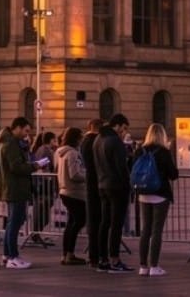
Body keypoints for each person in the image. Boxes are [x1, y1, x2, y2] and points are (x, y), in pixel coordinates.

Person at [0, 117, 41, 269]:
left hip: (13, 187)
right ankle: (12, 257)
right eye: (25, 131)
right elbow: (15, 167)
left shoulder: (9, 142)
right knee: (14, 223)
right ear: (17, 127)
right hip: (15, 188)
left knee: (12, 222)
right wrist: (33, 166)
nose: (26, 134)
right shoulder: (11, 144)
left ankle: (7, 255)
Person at [136, 123, 178, 277]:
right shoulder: (164, 152)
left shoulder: (140, 150)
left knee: (145, 230)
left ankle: (143, 266)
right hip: (160, 193)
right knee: (156, 230)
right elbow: (173, 174)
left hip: (143, 192)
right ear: (162, 135)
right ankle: (154, 266)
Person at [94, 113, 132, 273]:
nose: (124, 132)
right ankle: (115, 260)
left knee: (105, 223)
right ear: (117, 125)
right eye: (124, 128)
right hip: (117, 187)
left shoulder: (98, 139)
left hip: (102, 184)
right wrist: (128, 185)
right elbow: (122, 167)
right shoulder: (115, 141)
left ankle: (102, 259)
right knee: (116, 224)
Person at [55, 126, 88, 266]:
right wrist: (87, 176)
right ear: (76, 138)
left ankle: (66, 254)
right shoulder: (73, 153)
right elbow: (74, 174)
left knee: (71, 223)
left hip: (64, 190)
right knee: (79, 221)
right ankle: (69, 253)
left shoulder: (61, 152)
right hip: (75, 192)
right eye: (81, 137)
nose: (82, 139)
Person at [80, 118, 105, 269]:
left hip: (90, 183)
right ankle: (97, 255)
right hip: (97, 184)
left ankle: (93, 255)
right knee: (98, 220)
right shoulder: (95, 141)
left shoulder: (85, 141)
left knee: (93, 220)